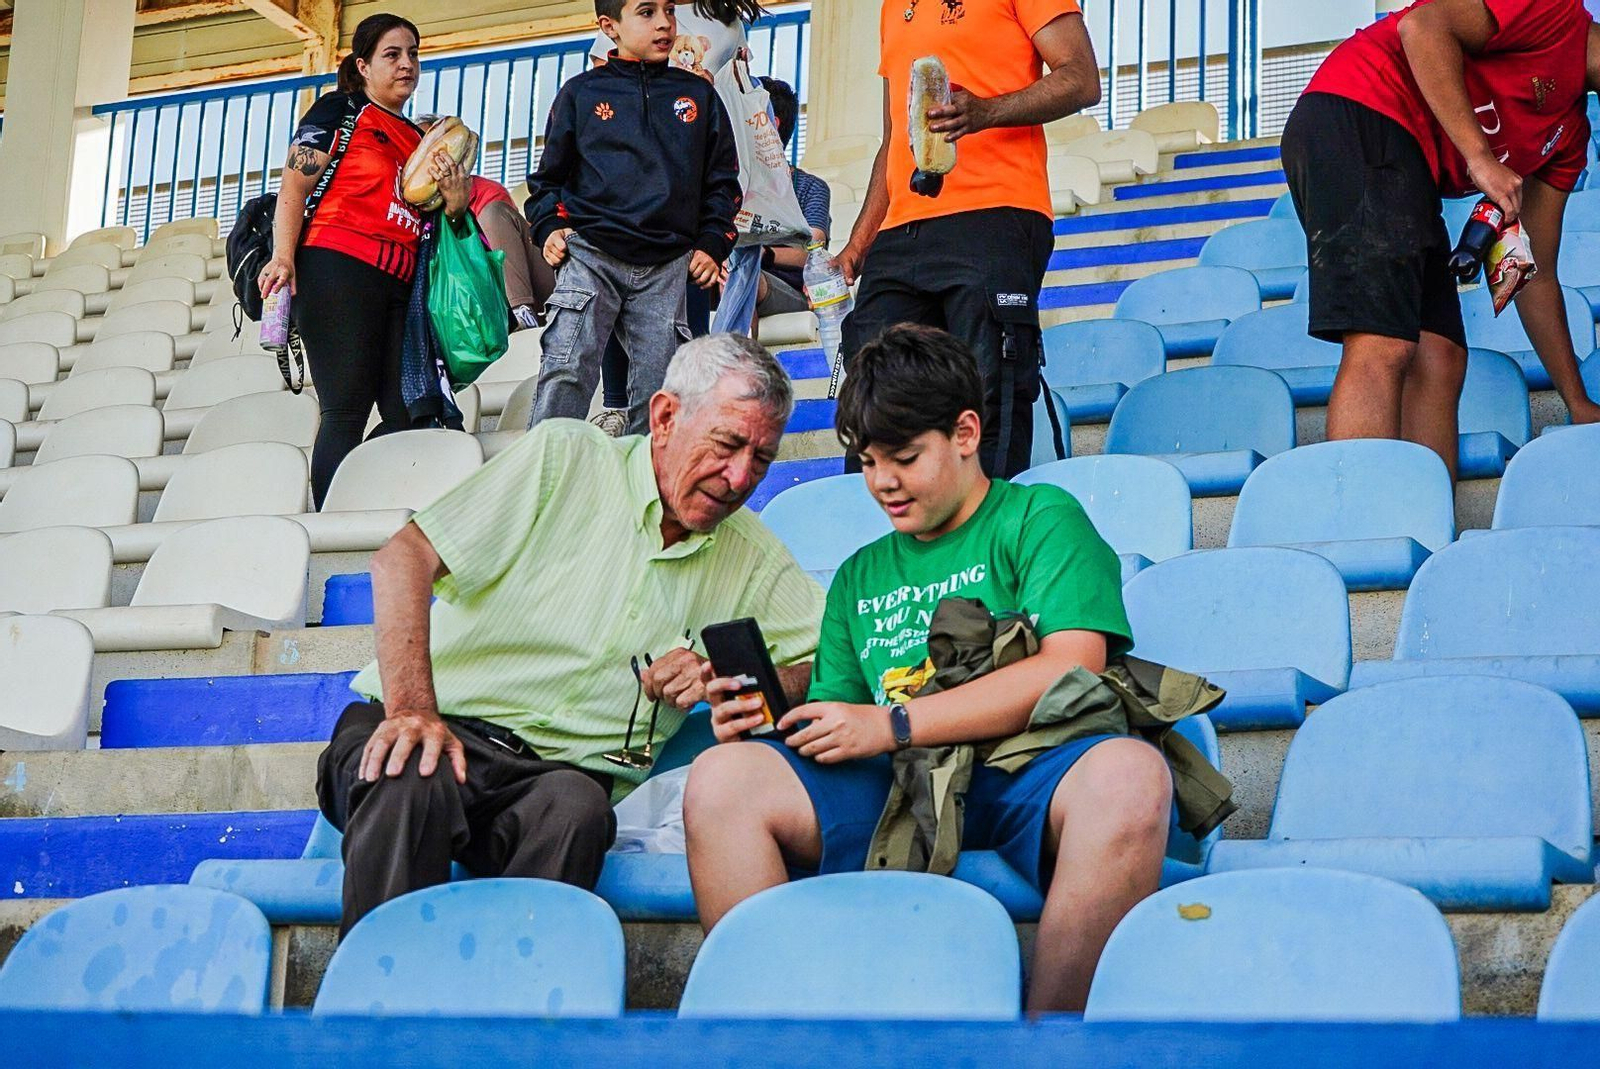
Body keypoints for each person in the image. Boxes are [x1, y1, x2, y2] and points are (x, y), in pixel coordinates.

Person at [683, 324, 1173, 1012]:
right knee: (722, 780)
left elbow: (1072, 668)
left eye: (905, 458)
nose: (883, 482)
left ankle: (1051, 1044)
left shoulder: (1038, 518)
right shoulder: (859, 574)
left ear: (965, 433)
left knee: (1129, 776)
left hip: (1026, 768)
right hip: (896, 786)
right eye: (868, 462)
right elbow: (838, 715)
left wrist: (895, 722)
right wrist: (762, 726)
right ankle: (796, 1039)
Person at [315, 334, 825, 935]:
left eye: (761, 459)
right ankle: (377, 988)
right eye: (728, 444)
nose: (739, 477)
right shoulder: (566, 457)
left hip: (555, 782)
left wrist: (729, 676)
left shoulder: (753, 555)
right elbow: (403, 559)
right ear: (665, 417)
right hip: (438, 724)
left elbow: (838, 659)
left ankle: (518, 993)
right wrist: (412, 712)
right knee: (410, 768)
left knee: (579, 812)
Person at [1283, 0, 1600, 481]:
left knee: (1441, 355)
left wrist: (1577, 402)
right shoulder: (1554, 12)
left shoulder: (1568, 136)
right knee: (1383, 343)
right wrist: (1480, 158)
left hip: (1412, 167)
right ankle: (1359, 517)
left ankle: (1423, 518)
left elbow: (1534, 276)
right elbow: (1422, 25)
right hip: (1361, 108)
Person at [834, 1, 1102, 478]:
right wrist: (859, 241)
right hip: (901, 229)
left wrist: (987, 111)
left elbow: (1081, 78)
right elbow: (894, 137)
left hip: (995, 214)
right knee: (873, 398)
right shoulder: (894, 7)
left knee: (986, 396)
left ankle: (988, 525)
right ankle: (881, 525)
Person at [257, 13, 472, 509]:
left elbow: (441, 223)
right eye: (392, 55)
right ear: (363, 66)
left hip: (403, 284)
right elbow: (295, 184)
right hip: (338, 268)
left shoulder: (422, 140)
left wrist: (456, 201)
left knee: (409, 415)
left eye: (413, 54)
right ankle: (331, 528)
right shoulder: (342, 109)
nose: (406, 64)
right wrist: (283, 257)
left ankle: (368, 501)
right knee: (346, 410)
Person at [524, 0, 742, 437]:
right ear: (610, 26)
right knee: (567, 367)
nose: (664, 23)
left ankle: (647, 479)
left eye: (669, 10)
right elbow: (547, 181)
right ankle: (544, 472)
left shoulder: (699, 95)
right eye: (646, 12)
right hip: (590, 256)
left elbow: (723, 184)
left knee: (662, 393)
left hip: (668, 265)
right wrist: (549, 226)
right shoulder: (580, 93)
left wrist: (712, 242)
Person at [587, 0, 764, 436]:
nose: (661, 22)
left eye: (666, 12)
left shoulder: (726, 19)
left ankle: (690, 406)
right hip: (636, 176)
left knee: (690, 284)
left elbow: (740, 89)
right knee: (617, 285)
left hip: (695, 167)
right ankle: (617, 404)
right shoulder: (633, 10)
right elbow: (605, 88)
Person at [753, 78, 832, 322]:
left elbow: (812, 251)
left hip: (785, 288)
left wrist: (764, 254)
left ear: (769, 125)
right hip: (726, 277)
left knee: (744, 277)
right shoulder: (730, 185)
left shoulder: (811, 188)